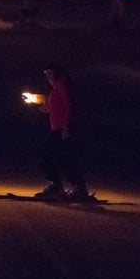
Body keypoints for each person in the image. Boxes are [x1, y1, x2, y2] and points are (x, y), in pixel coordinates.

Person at [33, 63, 90, 200]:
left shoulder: (61, 83)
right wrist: (48, 109)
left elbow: (69, 105)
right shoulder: (55, 87)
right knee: (59, 157)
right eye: (46, 73)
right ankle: (71, 187)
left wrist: (66, 126)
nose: (47, 76)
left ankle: (64, 187)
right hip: (57, 127)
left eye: (50, 72)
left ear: (57, 73)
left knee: (48, 155)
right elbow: (59, 107)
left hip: (62, 128)